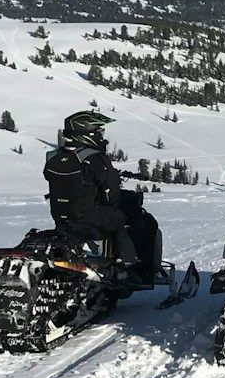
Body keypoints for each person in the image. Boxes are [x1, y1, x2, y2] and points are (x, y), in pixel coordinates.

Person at [43, 109, 149, 275]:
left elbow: (51, 177)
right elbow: (111, 194)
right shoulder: (94, 158)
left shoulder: (53, 157)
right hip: (89, 217)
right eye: (99, 132)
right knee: (120, 218)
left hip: (62, 218)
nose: (102, 136)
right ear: (88, 133)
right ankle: (129, 264)